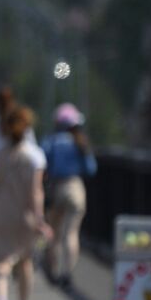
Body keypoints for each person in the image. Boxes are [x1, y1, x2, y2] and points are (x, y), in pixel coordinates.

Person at [0, 105, 50, 300]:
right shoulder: (35, 156)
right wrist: (40, 219)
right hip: (25, 215)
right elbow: (36, 192)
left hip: (1, 212)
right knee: (25, 262)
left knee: (3, 262)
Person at [40, 103, 97, 289]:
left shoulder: (51, 141)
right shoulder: (80, 141)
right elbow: (91, 169)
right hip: (75, 187)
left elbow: (41, 164)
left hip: (57, 188)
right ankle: (68, 273)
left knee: (54, 234)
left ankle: (54, 272)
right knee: (71, 233)